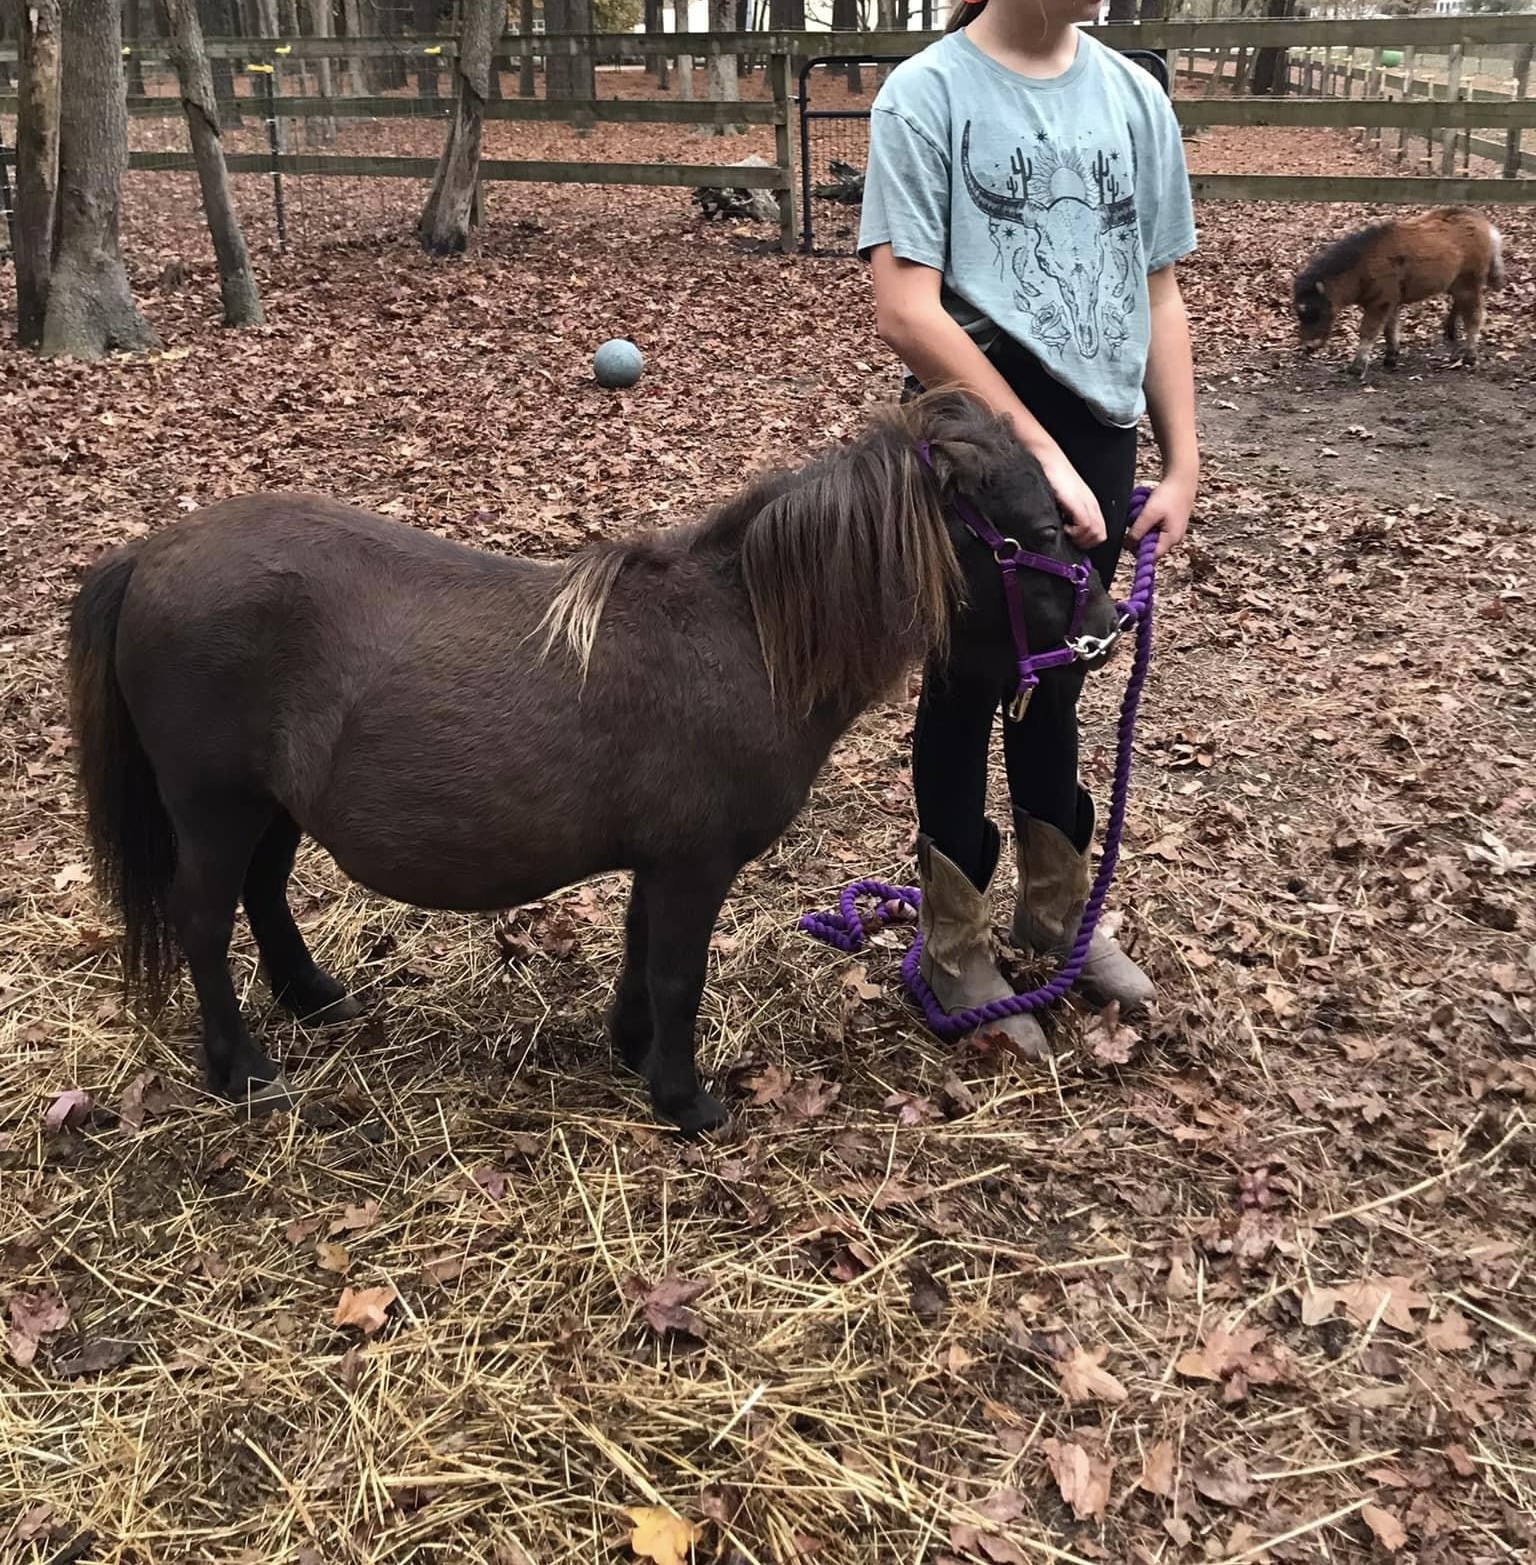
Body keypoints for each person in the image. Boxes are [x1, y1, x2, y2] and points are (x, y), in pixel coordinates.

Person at [859, 0, 1199, 1056]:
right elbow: (906, 307)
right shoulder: (928, 96)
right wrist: (1033, 457)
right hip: (975, 448)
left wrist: (1182, 457)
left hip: (1099, 436)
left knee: (1062, 674)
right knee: (965, 681)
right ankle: (952, 940)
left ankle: (1057, 915)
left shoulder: (1134, 95)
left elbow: (1159, 290)